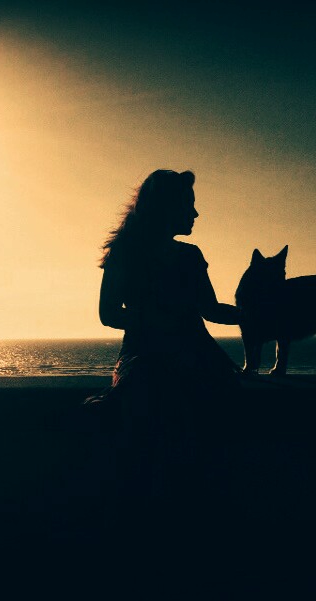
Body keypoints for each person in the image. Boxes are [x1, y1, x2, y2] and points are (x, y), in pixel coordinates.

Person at [89, 169, 241, 549]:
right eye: (188, 205)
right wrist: (154, 318)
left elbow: (210, 310)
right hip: (148, 355)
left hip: (196, 355)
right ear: (165, 208)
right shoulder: (126, 253)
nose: (195, 214)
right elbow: (109, 313)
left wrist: (256, 312)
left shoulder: (191, 256)